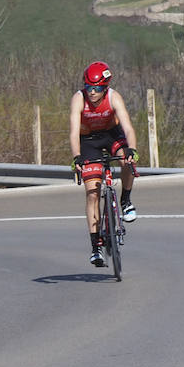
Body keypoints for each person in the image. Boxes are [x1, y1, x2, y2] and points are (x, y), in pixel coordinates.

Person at [69, 60, 138, 267]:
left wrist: (132, 150)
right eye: (89, 87)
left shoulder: (114, 97)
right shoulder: (79, 99)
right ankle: (95, 247)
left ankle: (125, 201)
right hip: (88, 141)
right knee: (92, 192)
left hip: (111, 135)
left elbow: (128, 127)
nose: (92, 92)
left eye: (97, 88)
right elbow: (73, 132)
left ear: (105, 87)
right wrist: (76, 157)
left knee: (126, 160)